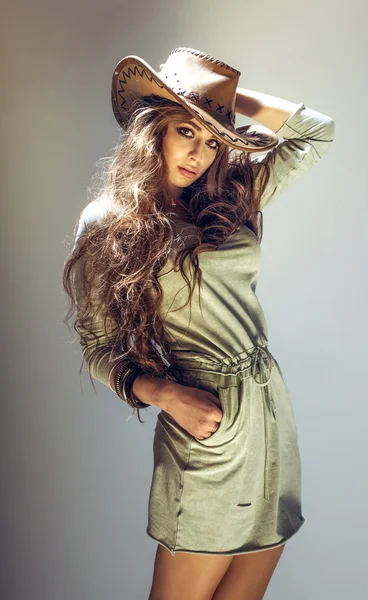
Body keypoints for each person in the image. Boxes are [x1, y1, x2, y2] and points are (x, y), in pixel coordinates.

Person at [63, 47, 335, 600]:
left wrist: (226, 106)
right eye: (187, 129)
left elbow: (316, 133)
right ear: (154, 127)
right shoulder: (110, 223)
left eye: (214, 140)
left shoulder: (229, 198)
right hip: (206, 419)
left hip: (267, 413)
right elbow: (98, 345)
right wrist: (164, 393)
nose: (200, 153)